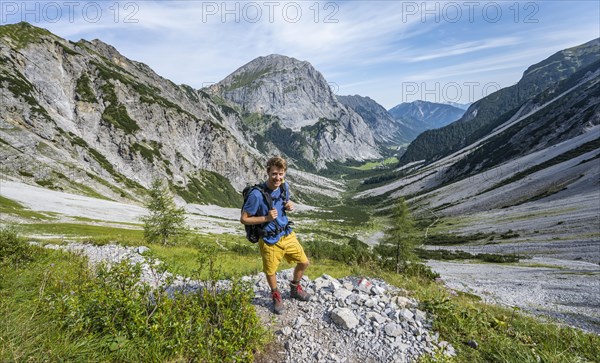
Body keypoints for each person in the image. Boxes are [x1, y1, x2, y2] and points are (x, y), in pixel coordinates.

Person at [240, 156, 311, 314]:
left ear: (284, 173)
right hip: (269, 239)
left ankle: (294, 287)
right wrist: (266, 218)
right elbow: (244, 219)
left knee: (304, 262)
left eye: (281, 174)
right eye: (274, 174)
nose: (277, 177)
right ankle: (276, 294)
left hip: (286, 233)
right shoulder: (256, 195)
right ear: (268, 172)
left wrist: (289, 205)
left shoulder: (284, 187)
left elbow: (284, 203)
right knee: (271, 271)